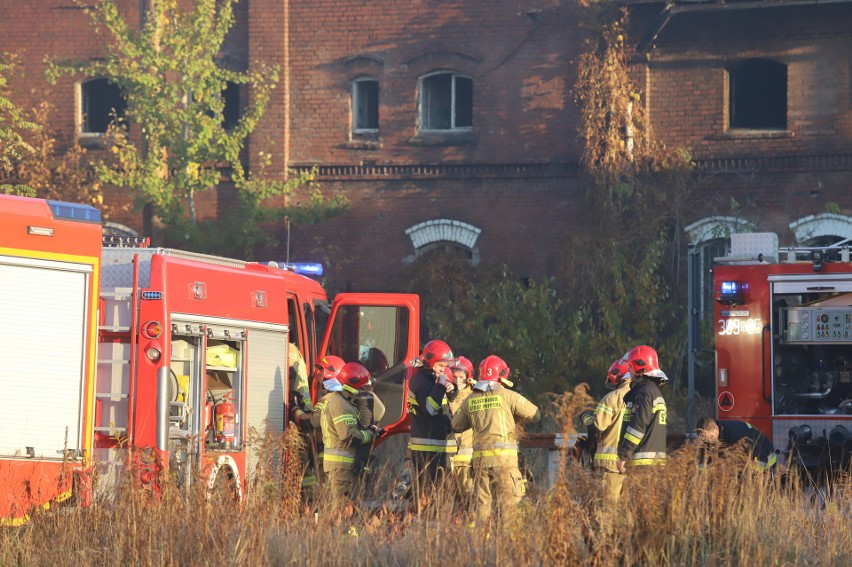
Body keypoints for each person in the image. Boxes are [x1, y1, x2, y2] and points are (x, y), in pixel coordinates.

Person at [452, 355, 540, 525]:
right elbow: (536, 414)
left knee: (482, 508)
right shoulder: (509, 396)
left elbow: (456, 425)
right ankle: (506, 547)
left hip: (480, 464)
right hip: (504, 462)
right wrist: (513, 418)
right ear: (501, 375)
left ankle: (481, 545)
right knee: (509, 508)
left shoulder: (470, 399)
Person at [319, 362, 380, 503]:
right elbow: (348, 436)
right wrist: (369, 434)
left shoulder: (336, 399)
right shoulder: (340, 404)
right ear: (352, 386)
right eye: (361, 387)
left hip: (339, 466)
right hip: (340, 466)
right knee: (340, 509)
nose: (362, 391)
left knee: (343, 508)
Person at [406, 339, 458, 508]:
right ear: (430, 362)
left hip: (439, 447)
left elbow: (443, 405)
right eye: (441, 365)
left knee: (442, 495)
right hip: (429, 450)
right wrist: (442, 385)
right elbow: (430, 409)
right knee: (432, 497)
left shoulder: (430, 379)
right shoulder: (421, 381)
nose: (445, 370)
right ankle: (429, 527)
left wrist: (451, 390)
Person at [582, 356, 633, 505]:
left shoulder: (613, 397)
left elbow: (598, 426)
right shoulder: (642, 397)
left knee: (606, 514)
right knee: (627, 516)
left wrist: (585, 417)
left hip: (609, 466)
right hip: (632, 466)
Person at [617, 345, 668, 473]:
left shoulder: (644, 393)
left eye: (630, 366)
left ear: (640, 367)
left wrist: (624, 455)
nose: (628, 369)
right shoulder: (653, 392)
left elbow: (637, 426)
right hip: (653, 465)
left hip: (642, 466)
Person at [310, 355, 347, 484]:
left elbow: (312, 422)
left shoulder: (327, 400)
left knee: (328, 490)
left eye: (321, 374)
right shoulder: (343, 398)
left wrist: (295, 409)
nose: (318, 378)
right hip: (340, 456)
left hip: (329, 456)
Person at [696, 417, 777, 470]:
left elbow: (762, 461)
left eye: (711, 438)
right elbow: (703, 464)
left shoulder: (738, 434)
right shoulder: (710, 438)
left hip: (766, 459)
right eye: (705, 440)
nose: (709, 442)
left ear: (716, 429)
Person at [448, 356, 475, 509]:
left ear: (468, 378)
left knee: (468, 499)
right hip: (448, 459)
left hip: (466, 461)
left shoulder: (473, 396)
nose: (457, 380)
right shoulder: (445, 394)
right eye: (454, 377)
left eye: (461, 377)